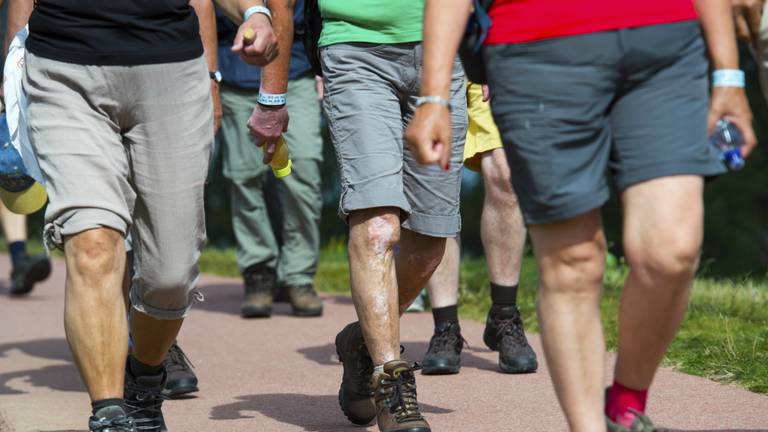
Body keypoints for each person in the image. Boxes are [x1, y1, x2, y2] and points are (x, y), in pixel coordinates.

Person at [406, 1, 755, 431]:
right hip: (535, 48)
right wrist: (435, 96)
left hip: (664, 41)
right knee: (572, 264)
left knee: (673, 251)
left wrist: (728, 75)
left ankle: (624, 406)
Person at [9, 0, 279, 430]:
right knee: (92, 244)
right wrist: (10, 73)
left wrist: (254, 14)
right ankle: (109, 413)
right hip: (63, 67)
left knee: (169, 276)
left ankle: (145, 379)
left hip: (171, 70)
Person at [256, 1, 467, 430]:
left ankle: (360, 342)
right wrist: (273, 97)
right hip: (355, 49)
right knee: (377, 228)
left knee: (429, 244)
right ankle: (392, 383)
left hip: (443, 53)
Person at [216, 0, 324, 319]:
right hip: (235, 72)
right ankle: (258, 272)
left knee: (304, 171)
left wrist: (323, 63)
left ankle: (299, 275)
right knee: (244, 177)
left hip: (297, 69)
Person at [422, 81, 537, 375]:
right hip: (431, 59)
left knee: (507, 176)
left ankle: (505, 317)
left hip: (489, 52)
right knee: (438, 185)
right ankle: (445, 327)